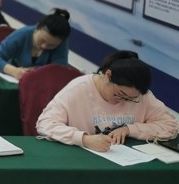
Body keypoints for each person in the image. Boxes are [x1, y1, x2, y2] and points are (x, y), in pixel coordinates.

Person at [36, 51, 178, 152]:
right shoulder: (78, 89)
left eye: (132, 98)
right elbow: (45, 123)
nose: (124, 101)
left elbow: (170, 126)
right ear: (108, 76)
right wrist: (84, 139)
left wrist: (130, 129)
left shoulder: (140, 95)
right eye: (120, 94)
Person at [0, 8, 71, 80]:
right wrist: (14, 71)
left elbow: (59, 70)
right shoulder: (21, 35)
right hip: (13, 77)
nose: (44, 46)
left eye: (51, 45)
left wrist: (35, 71)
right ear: (36, 28)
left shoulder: (61, 43)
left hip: (41, 82)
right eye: (42, 40)